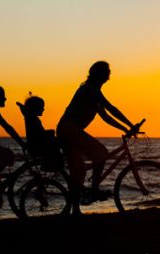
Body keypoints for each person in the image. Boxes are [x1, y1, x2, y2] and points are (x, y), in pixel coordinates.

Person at [57, 61, 135, 214]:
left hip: (66, 130)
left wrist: (125, 127)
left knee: (78, 172)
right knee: (100, 152)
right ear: (103, 75)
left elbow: (105, 116)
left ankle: (73, 210)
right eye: (107, 72)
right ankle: (94, 190)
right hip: (69, 130)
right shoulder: (91, 90)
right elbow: (110, 108)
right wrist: (130, 125)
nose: (109, 74)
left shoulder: (92, 90)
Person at [18, 95, 62, 171]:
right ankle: (50, 166)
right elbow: (40, 135)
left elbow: (25, 111)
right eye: (42, 107)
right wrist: (51, 133)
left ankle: (50, 164)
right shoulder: (33, 119)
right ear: (35, 108)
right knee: (59, 143)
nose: (43, 109)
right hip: (38, 146)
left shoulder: (30, 118)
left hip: (35, 145)